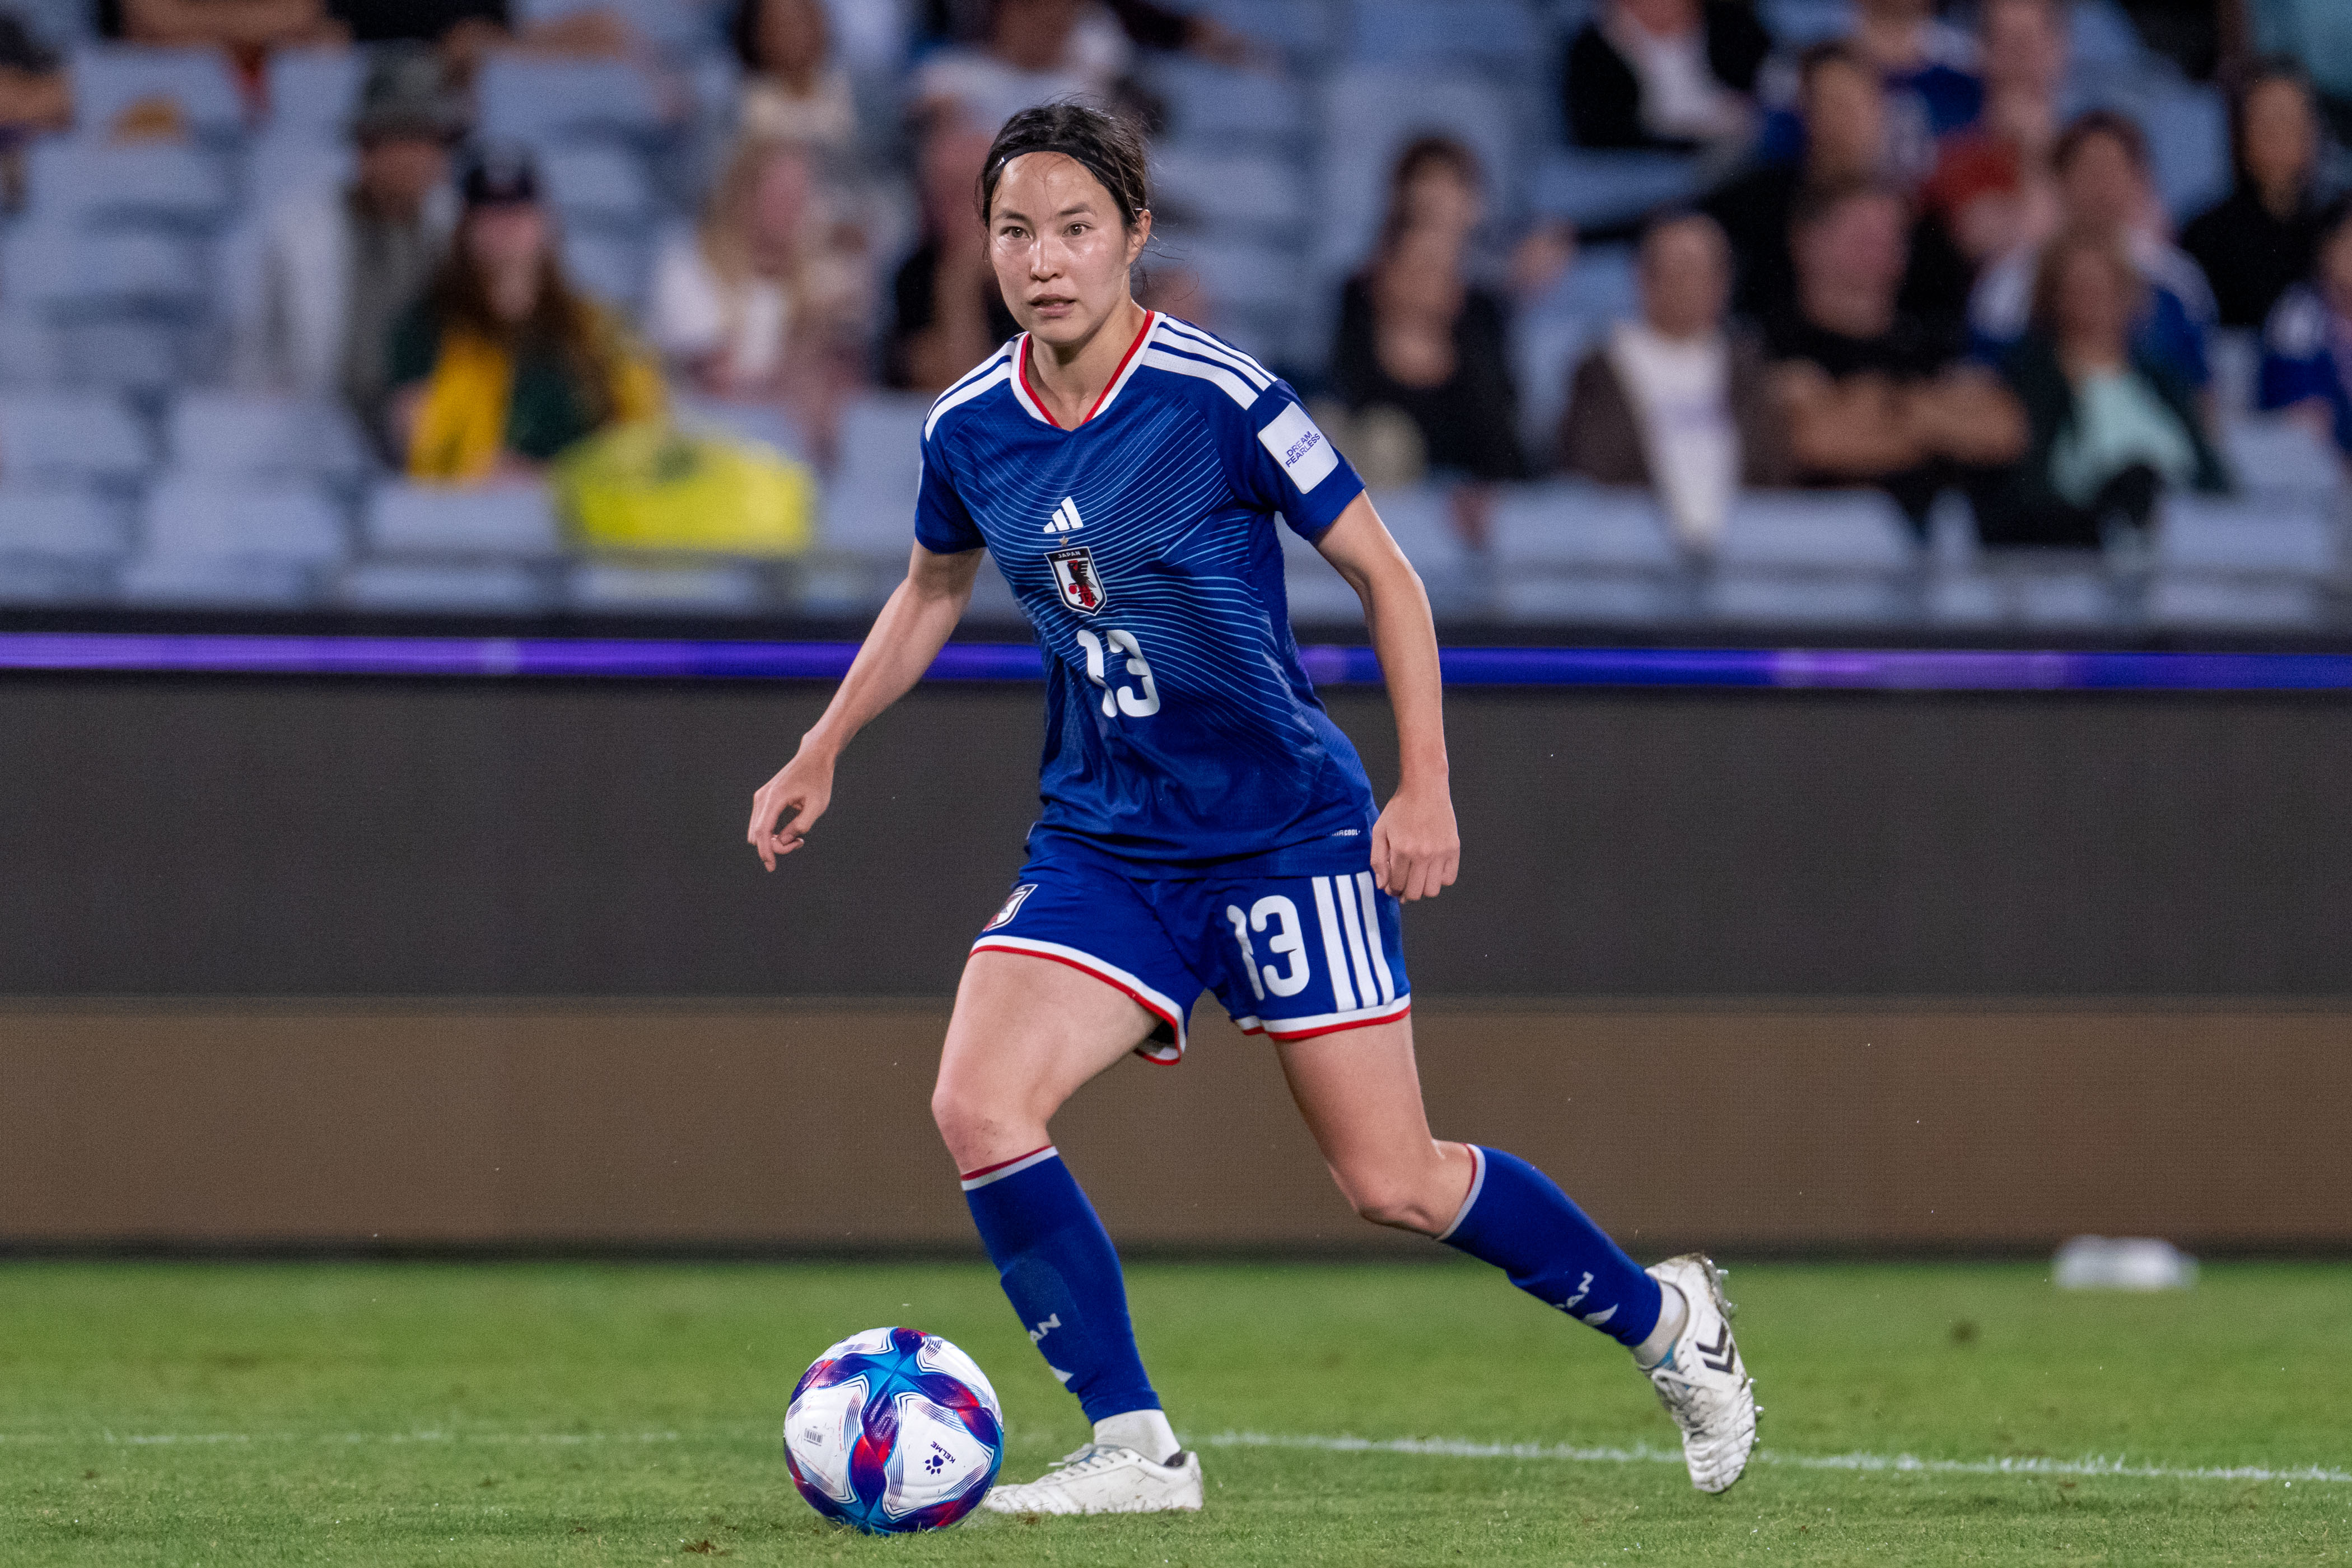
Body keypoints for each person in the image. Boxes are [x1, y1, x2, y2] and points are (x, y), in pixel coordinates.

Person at [744, 101, 1758, 1515]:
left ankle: (1667, 1324)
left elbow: (1388, 579)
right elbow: (931, 588)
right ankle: (1136, 1446)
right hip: (1107, 838)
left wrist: (1424, 785)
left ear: (1135, 238)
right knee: (978, 1102)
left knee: (1393, 1181)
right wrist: (822, 746)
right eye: (1015, 230)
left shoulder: (1219, 397)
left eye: (1076, 229)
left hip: (1282, 832)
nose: (1044, 261)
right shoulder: (972, 425)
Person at [387, 145, 662, 482]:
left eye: (518, 211)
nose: (506, 227)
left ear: (545, 223)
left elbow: (649, 430)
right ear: (465, 230)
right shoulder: (425, 326)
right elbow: (423, 446)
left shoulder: (602, 324)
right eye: (489, 214)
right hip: (480, 517)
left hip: (597, 507)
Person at [1766, 179, 2026, 524]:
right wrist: (1937, 418)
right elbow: (1812, 443)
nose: (1881, 247)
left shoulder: (1935, 341)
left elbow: (2005, 431)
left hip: (1942, 543)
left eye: (1892, 235)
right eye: (1863, 233)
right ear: (1806, 241)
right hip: (1818, 541)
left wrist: (1881, 407)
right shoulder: (1771, 344)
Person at [235, 45, 463, 433]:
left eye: (430, 141)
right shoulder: (299, 230)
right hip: (318, 424)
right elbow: (256, 349)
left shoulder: (460, 229)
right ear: (365, 146)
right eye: (403, 138)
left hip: (432, 424)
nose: (418, 157)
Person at [1560, 212, 1791, 551]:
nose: (1688, 283)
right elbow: (1588, 468)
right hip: (1631, 554)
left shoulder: (1747, 368)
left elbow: (1773, 469)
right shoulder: (1601, 368)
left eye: (1703, 269)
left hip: (1745, 557)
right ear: (1644, 277)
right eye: (1678, 267)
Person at [1987, 225, 2227, 545]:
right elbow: (2029, 489)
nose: (2091, 300)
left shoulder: (2163, 380)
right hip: (2080, 555)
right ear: (2053, 297)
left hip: (2186, 547)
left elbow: (2214, 478)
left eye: (2103, 287)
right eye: (2077, 287)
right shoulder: (2032, 379)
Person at [1706, 41, 1968, 328]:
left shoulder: (1919, 214)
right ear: (1806, 113)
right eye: (1831, 103)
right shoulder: (1756, 203)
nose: (1844, 120)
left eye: (1856, 103)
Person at [1969, 110, 2218, 392]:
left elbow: (2201, 388)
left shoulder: (2176, 278)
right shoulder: (2009, 281)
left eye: (2114, 170)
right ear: (2060, 181)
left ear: (2138, 181)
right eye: (2089, 170)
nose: (2102, 186)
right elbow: (1985, 383)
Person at [1330, 141, 1529, 491]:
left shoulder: (1482, 309)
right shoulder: (1360, 294)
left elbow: (1502, 442)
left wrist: (1443, 326)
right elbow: (1353, 394)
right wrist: (1397, 321)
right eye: (1423, 218)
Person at [646, 136, 869, 435]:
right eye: (779, 196)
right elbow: (718, 387)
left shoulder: (818, 277)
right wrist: (804, 367)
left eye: (799, 197)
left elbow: (844, 383)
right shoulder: (689, 268)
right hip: (707, 439)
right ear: (743, 195)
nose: (791, 211)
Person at [2182, 61, 2332, 330]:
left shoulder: (2334, 234)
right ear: (2241, 136)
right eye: (2264, 122)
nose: (2276, 136)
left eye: (2287, 121)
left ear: (2313, 135)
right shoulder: (2205, 236)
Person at [1919, 0, 2066, 270]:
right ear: (1982, 52)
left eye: (2031, 40)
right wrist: (2030, 159)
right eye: (2007, 42)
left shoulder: (2094, 150)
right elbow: (2028, 247)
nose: (2021, 56)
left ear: (2060, 49)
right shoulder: (1953, 159)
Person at [886, 116, 1020, 393]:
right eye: (937, 193)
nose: (946, 207)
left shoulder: (1040, 270)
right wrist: (959, 282)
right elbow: (963, 391)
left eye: (962, 190)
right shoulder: (913, 274)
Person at [1562, 0, 1772, 153]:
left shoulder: (1730, 22)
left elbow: (1778, 82)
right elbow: (1600, 137)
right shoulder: (1593, 50)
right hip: (1664, 167)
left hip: (1752, 149)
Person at [911, 0, 1133, 134]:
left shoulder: (1083, 90)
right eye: (1045, 22)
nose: (1053, 35)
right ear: (1009, 13)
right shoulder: (951, 75)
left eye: (1061, 25)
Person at [2256, 199, 2352, 460]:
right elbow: (2306, 419)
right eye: (2347, 241)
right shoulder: (2298, 315)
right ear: (2325, 249)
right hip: (2315, 467)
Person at [731, 0, 856, 151]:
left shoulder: (853, 92)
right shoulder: (747, 105)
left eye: (801, 21)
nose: (794, 34)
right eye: (781, 25)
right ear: (759, 33)